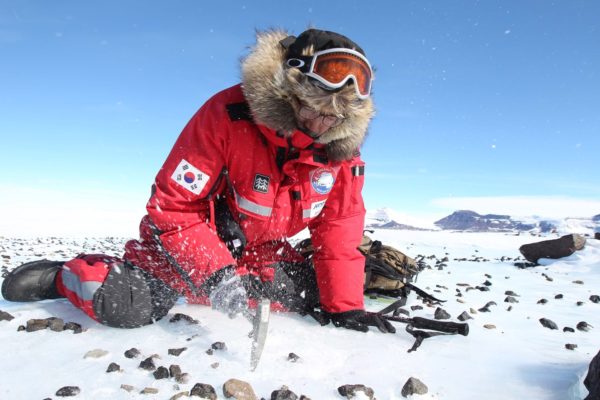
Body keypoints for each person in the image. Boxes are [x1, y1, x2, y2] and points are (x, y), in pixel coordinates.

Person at [1, 28, 395, 334]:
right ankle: (67, 274)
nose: (324, 125)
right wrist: (218, 275)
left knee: (313, 294)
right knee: (127, 303)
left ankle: (229, 287)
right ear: (292, 94)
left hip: (258, 251)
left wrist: (346, 307)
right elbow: (172, 207)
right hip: (188, 241)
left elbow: (340, 227)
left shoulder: (340, 153)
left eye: (337, 118)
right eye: (317, 110)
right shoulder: (227, 115)